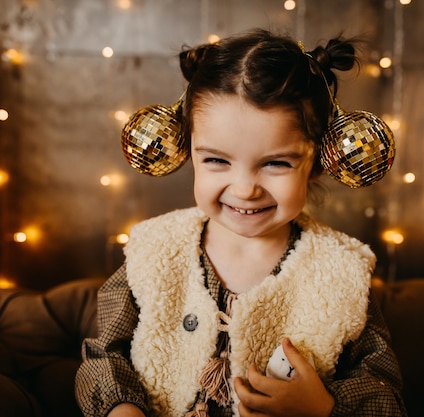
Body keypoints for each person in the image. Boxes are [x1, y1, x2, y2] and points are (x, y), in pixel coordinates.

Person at [75, 29, 407, 417]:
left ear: (316, 163)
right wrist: (121, 408)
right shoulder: (154, 249)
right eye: (217, 160)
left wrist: (322, 408)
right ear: (189, 153)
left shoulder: (341, 272)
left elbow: (386, 396)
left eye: (276, 163)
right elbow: (104, 355)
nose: (246, 189)